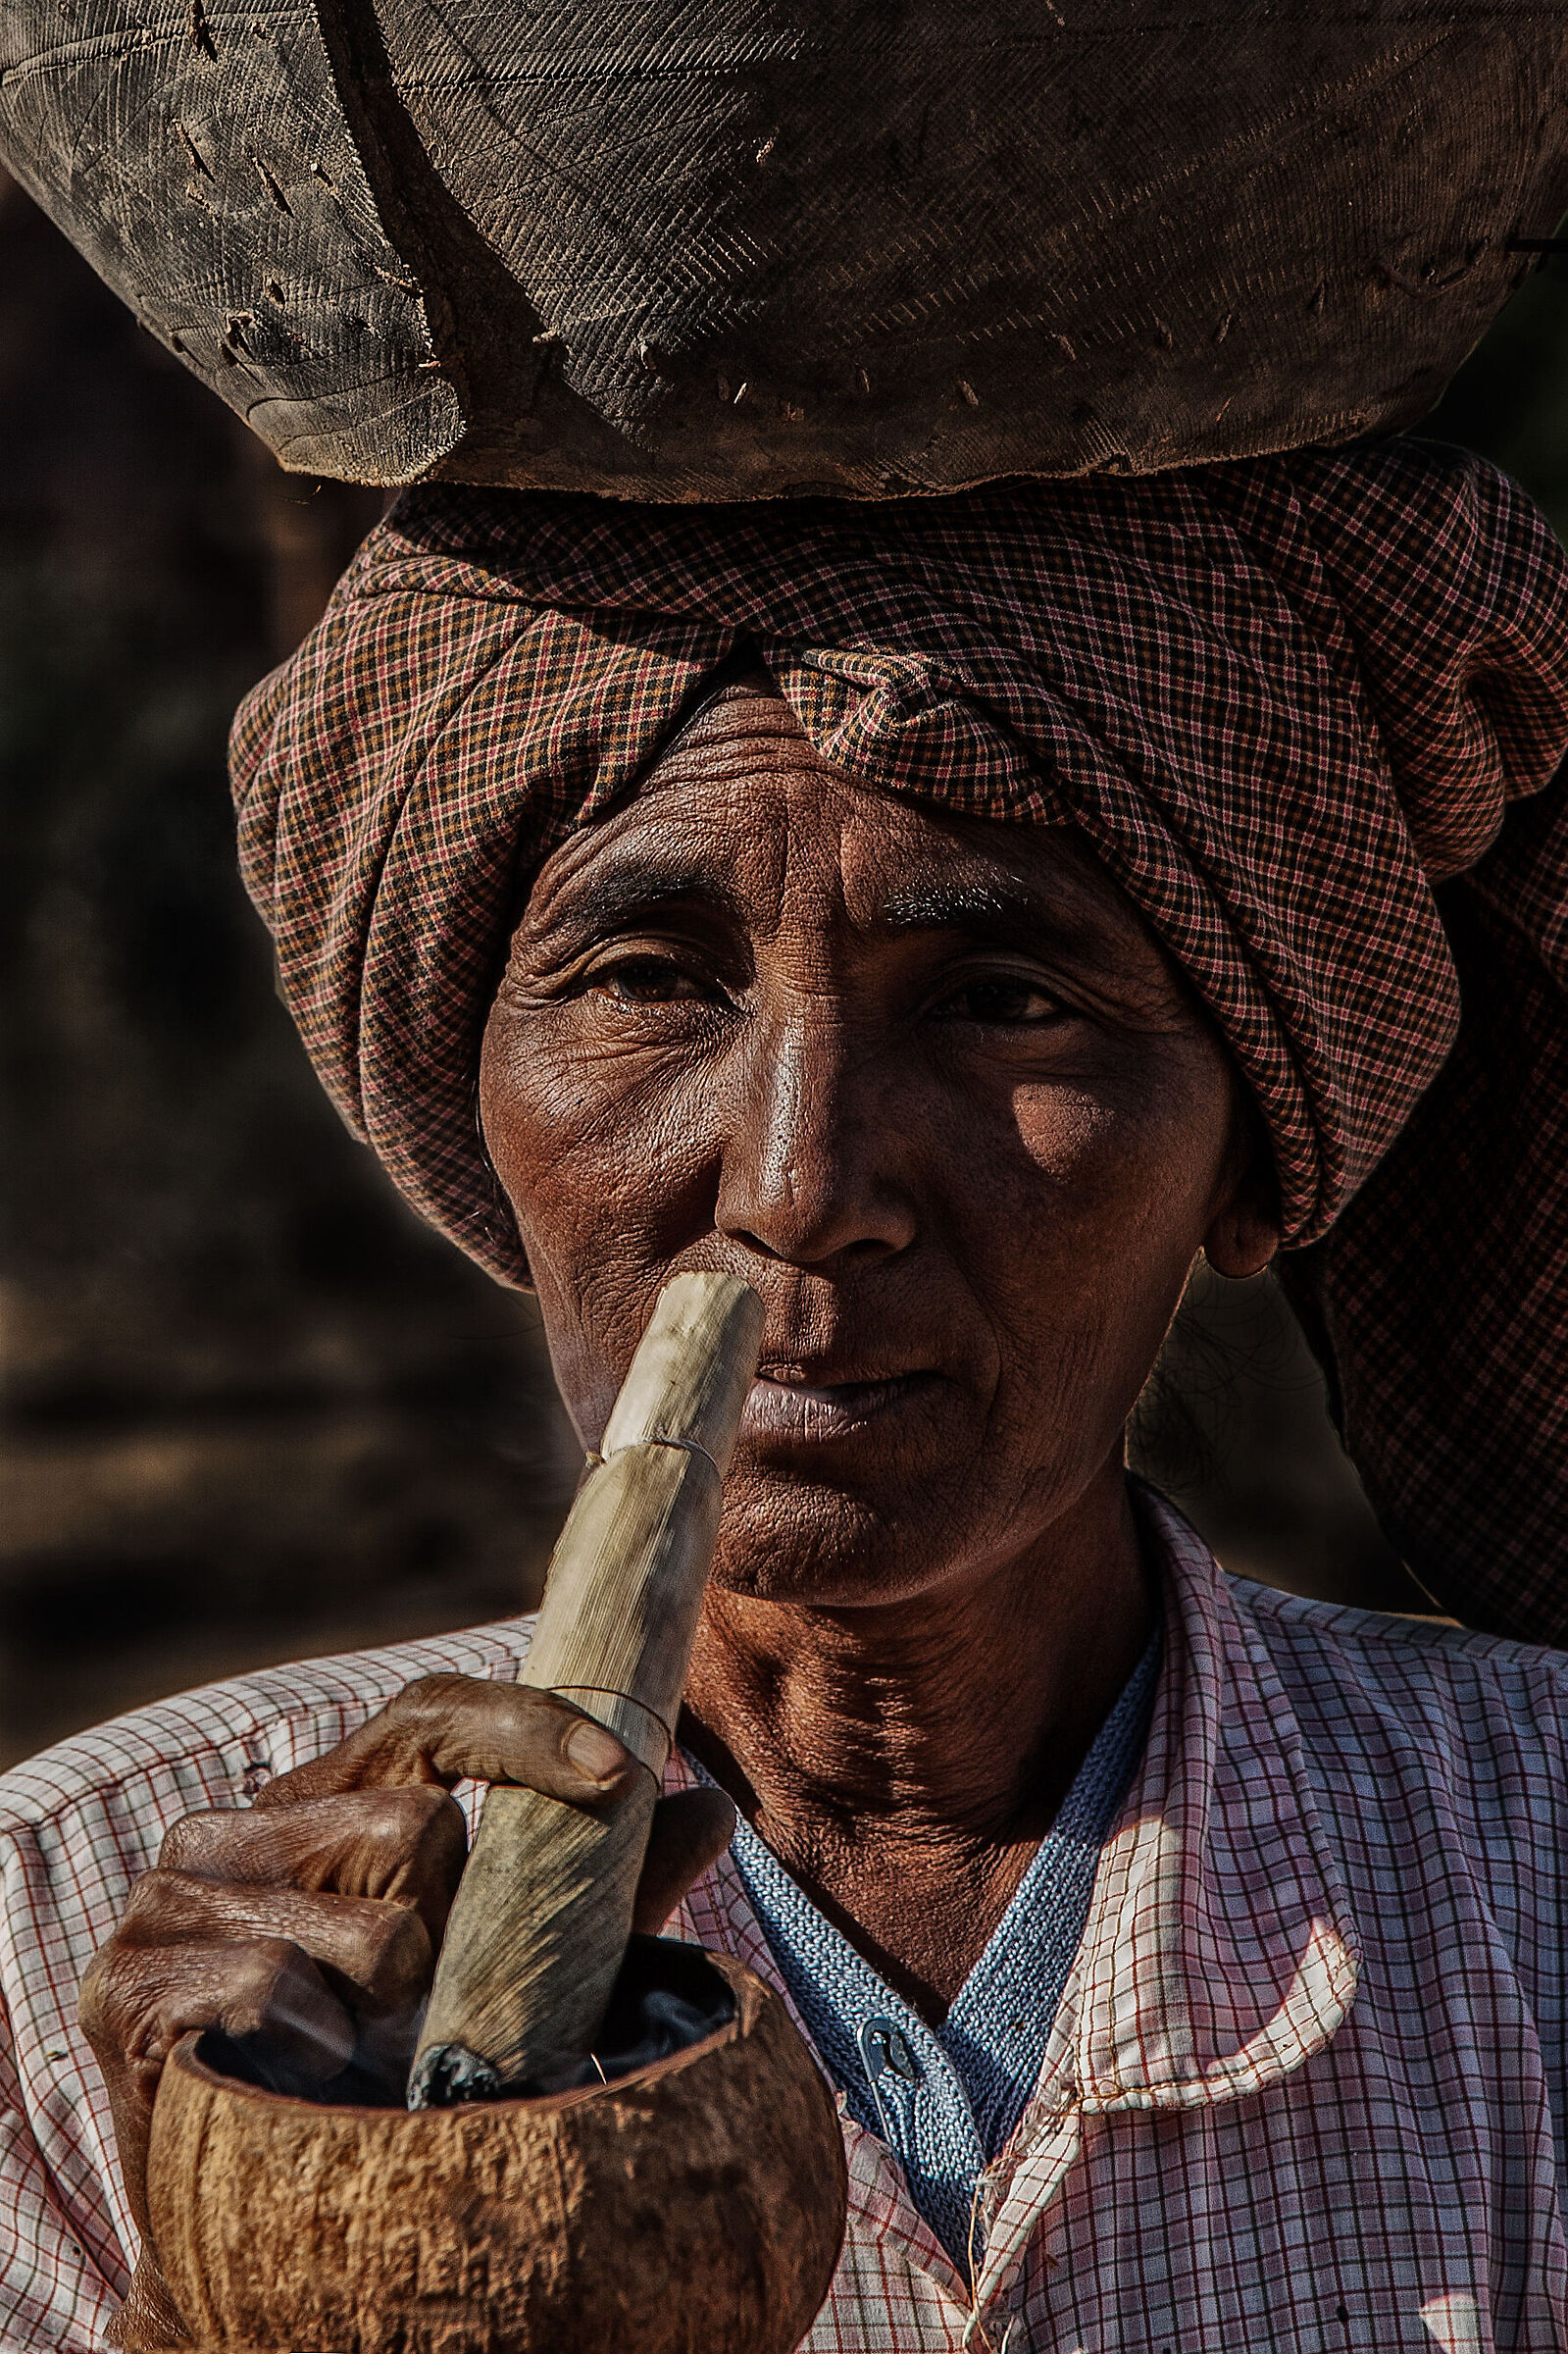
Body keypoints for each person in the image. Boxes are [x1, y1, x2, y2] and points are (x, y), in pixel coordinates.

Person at [3, 437, 1568, 2352]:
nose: (798, 1187)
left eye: (1004, 998)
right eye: (649, 976)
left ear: (1253, 1152)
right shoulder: (81, 1943)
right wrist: (244, 2265)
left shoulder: (1533, 1879)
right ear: (469, 1119)